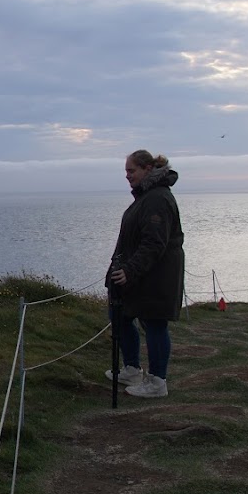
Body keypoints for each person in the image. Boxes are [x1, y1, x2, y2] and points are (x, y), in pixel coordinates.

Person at [105, 149, 185, 398]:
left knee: (154, 323)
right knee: (120, 315)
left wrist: (130, 270)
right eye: (126, 171)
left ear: (148, 169)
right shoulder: (147, 196)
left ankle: (157, 382)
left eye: (132, 170)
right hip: (140, 274)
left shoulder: (157, 198)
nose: (127, 176)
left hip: (158, 275)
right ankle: (131, 369)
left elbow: (154, 243)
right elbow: (132, 240)